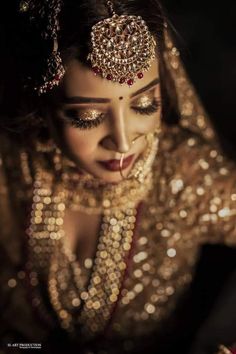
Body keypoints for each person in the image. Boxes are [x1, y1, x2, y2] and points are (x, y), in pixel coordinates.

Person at [0, 1, 236, 353]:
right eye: (88, 115)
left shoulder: (185, 174)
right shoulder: (11, 166)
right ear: (43, 109)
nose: (124, 141)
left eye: (144, 105)